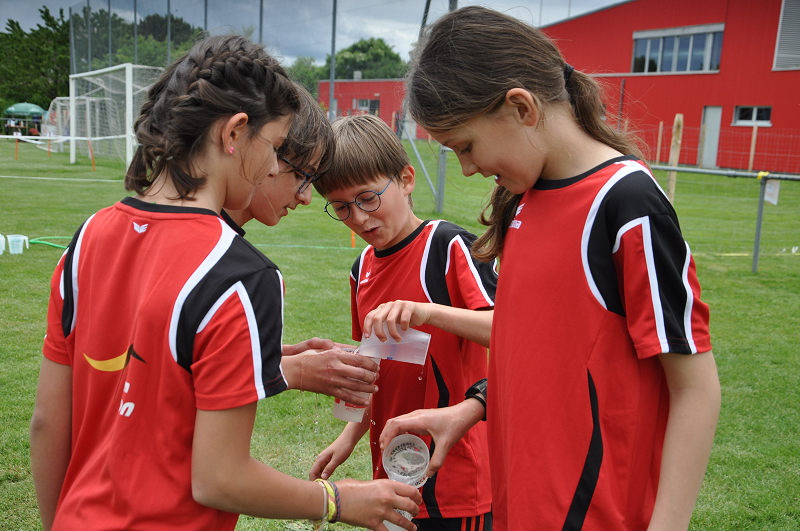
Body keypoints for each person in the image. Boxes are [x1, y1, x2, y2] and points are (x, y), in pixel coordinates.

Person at [29, 35, 420, 531]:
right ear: (234, 133)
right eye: (275, 147)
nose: (275, 167)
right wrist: (336, 500)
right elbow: (219, 479)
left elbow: (47, 423)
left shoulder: (86, 239)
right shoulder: (242, 275)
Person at [380, 6, 721, 531]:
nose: (467, 168)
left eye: (466, 146)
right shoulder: (525, 197)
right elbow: (541, 343)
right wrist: (470, 410)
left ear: (521, 107)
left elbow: (694, 388)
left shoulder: (626, 204)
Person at [309, 113, 497, 531]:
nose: (358, 218)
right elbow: (373, 366)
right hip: (394, 470)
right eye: (341, 207)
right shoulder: (361, 268)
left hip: (456, 478)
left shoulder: (448, 246)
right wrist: (348, 436)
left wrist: (427, 311)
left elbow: (510, 333)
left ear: (407, 179)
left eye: (367, 198)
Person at [224, 83, 380, 405]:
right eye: (302, 175)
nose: (306, 197)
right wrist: (296, 371)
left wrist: (280, 356)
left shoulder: (115, 223)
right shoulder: (248, 274)